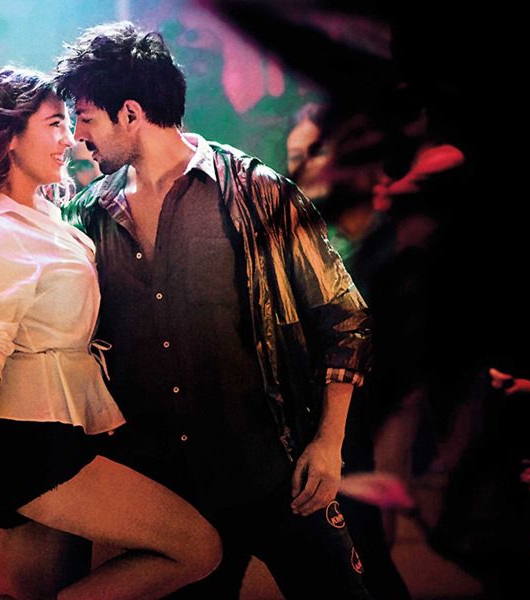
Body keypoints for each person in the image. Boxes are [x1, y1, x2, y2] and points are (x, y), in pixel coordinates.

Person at [55, 22, 373, 599]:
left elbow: (344, 317)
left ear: (131, 113)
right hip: (169, 497)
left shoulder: (256, 192)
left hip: (275, 471)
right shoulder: (86, 217)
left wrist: (328, 444)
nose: (79, 136)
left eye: (87, 119)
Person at [0, 66, 222, 600]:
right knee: (197, 548)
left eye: (69, 124)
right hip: (33, 441)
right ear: (8, 137)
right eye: (54, 125)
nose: (70, 139)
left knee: (33, 589)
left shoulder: (46, 218)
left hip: (67, 427)